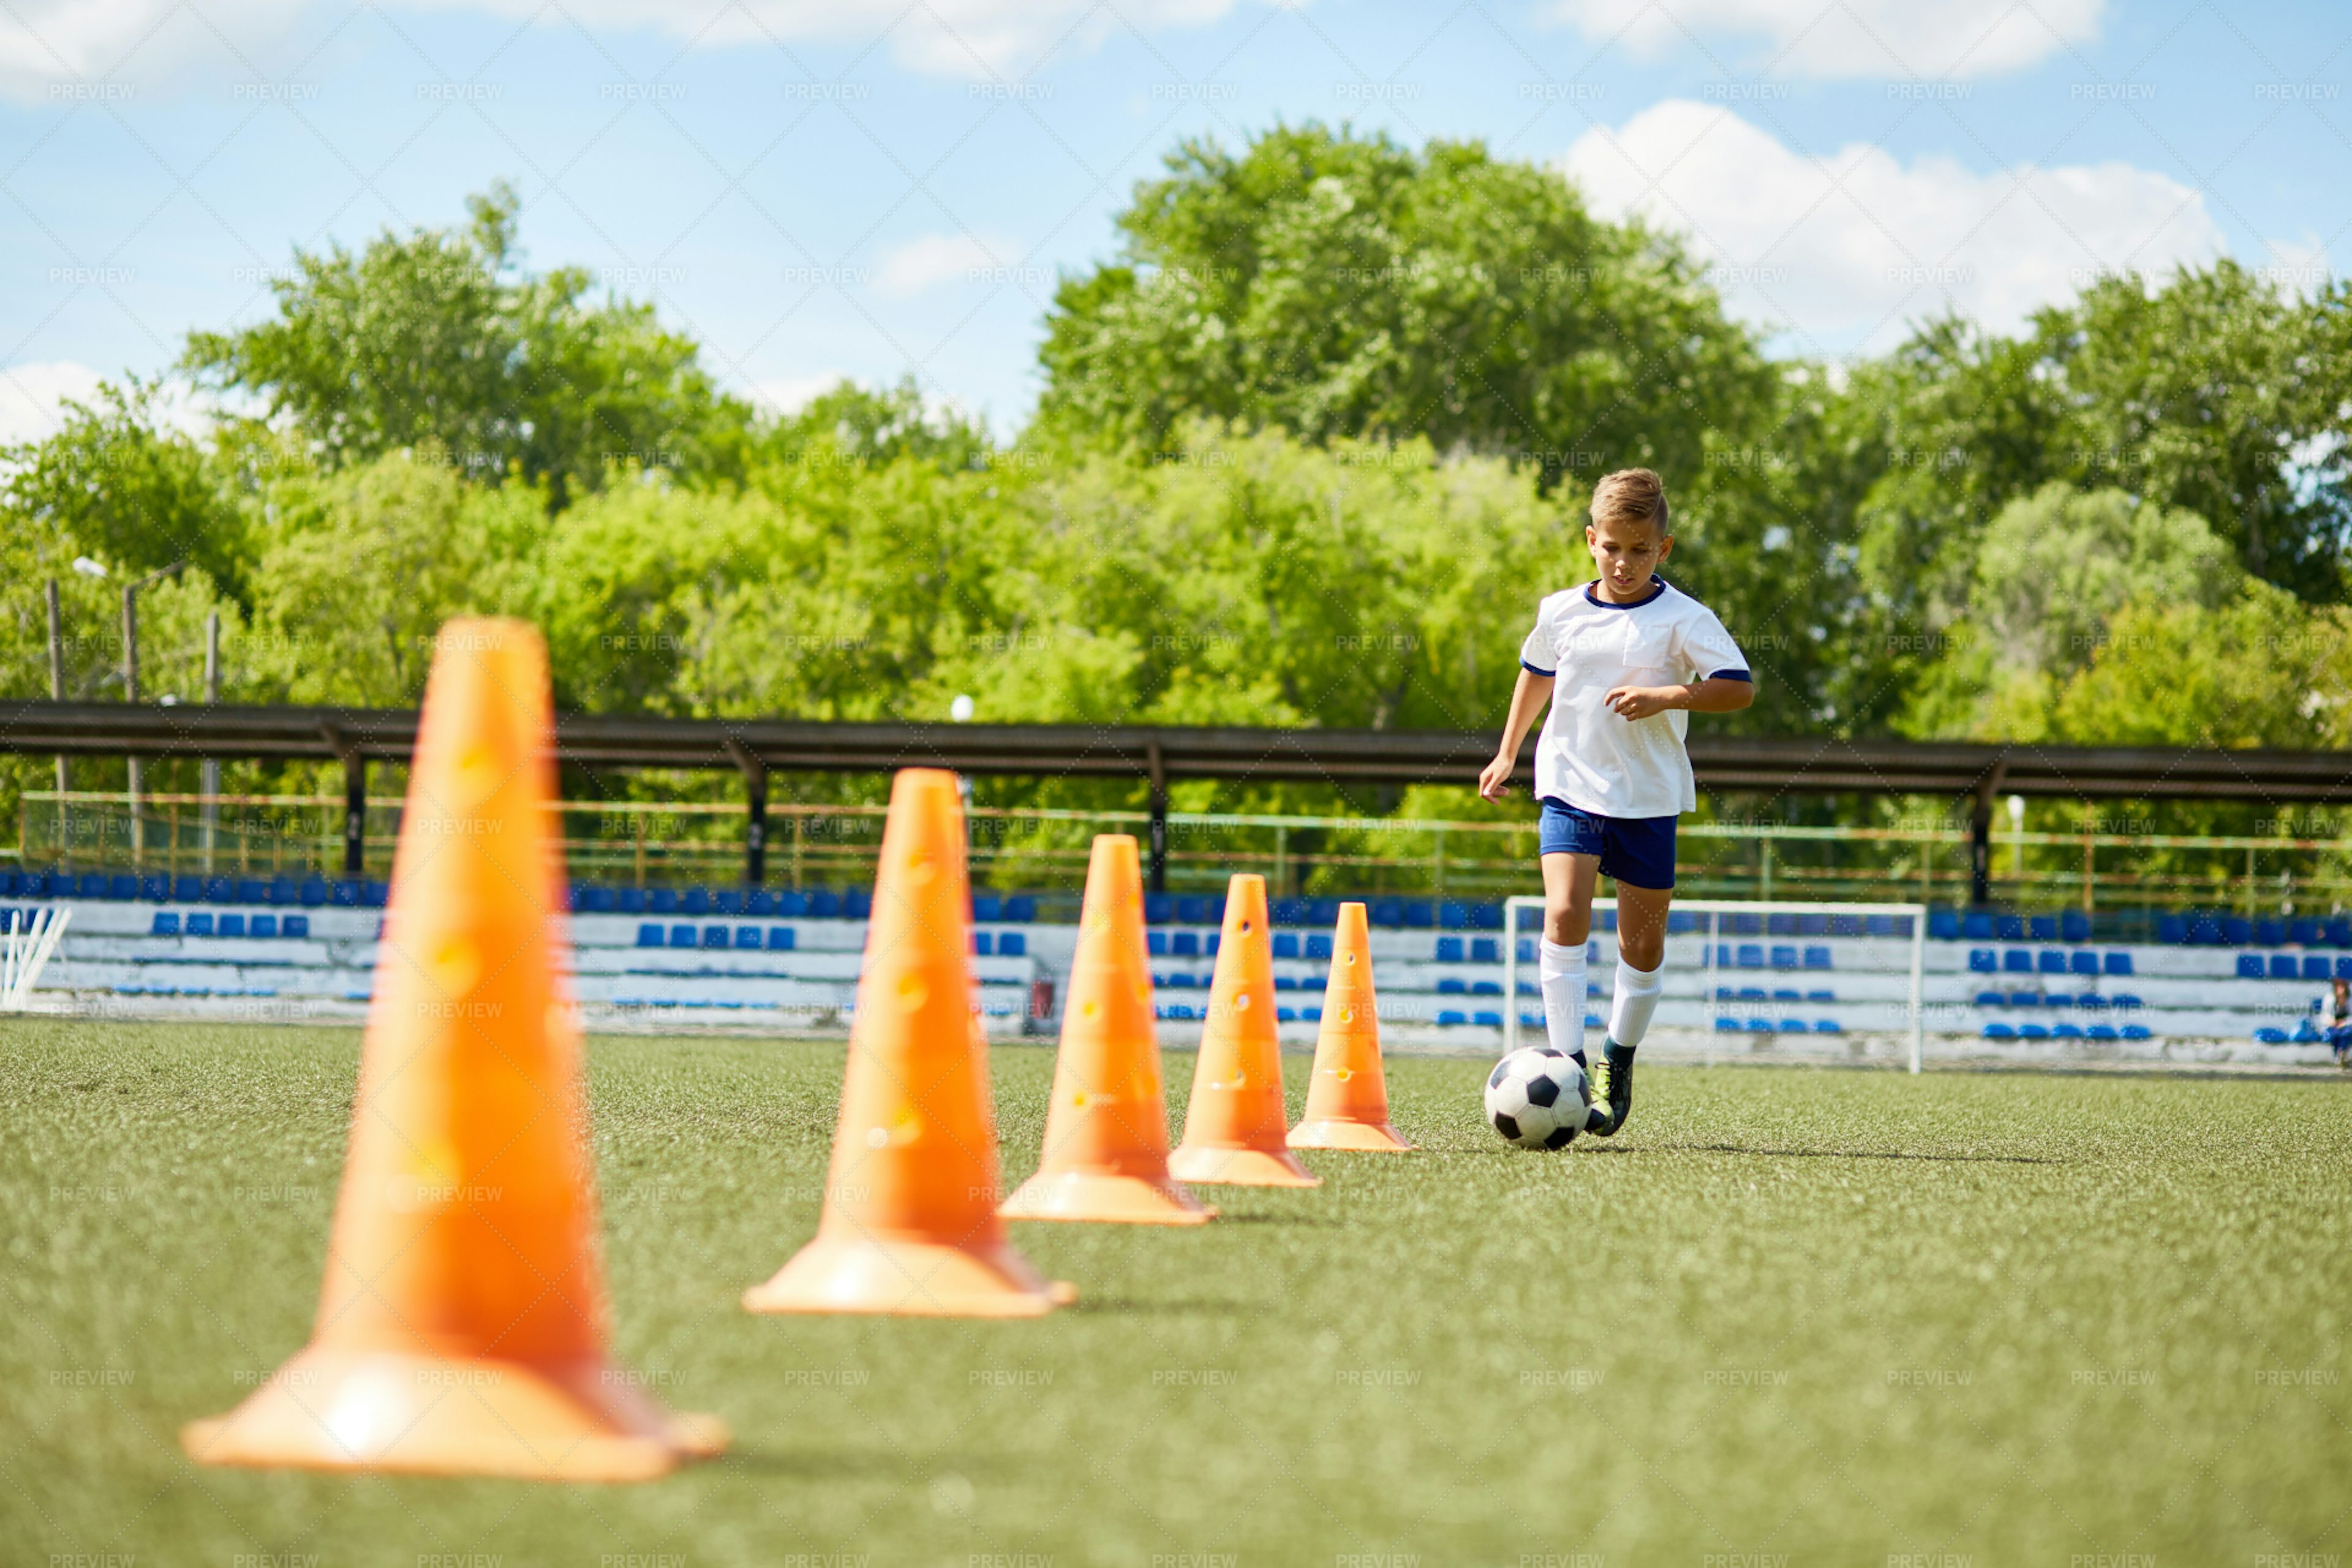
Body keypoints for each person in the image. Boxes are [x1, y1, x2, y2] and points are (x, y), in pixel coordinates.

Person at [1478, 468, 1754, 1136]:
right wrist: (1508, 750)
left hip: (1649, 797)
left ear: (1664, 549)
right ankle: (1569, 1061)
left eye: (1639, 549)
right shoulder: (1560, 611)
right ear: (1590, 541)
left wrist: (1668, 695)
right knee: (1566, 912)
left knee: (1641, 946)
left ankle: (1617, 1060)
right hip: (1571, 785)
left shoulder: (1686, 618)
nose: (1623, 562)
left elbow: (1738, 686)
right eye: (1611, 548)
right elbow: (1535, 675)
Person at [2326, 976, 2351, 1067]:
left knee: (2347, 1033)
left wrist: (2344, 1022)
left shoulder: (2350, 1000)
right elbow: (2325, 1015)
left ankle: (2341, 1055)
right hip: (2332, 1026)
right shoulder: (2329, 999)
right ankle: (2338, 1057)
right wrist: (2331, 1021)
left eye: (2342, 986)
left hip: (2347, 1026)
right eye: (2338, 986)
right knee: (2334, 1035)